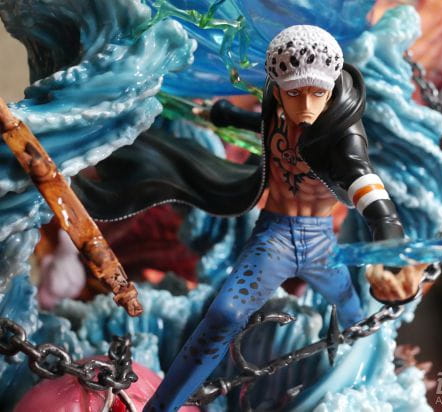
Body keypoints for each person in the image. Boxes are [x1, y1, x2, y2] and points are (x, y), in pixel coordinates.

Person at [143, 25, 426, 411]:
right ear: (277, 90)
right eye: (295, 93)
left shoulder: (342, 132)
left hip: (321, 244)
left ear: (331, 89)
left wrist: (388, 236)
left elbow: (363, 179)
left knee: (354, 314)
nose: (306, 106)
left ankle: (365, 379)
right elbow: (261, 126)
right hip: (273, 238)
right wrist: (221, 113)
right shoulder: (275, 111)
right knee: (223, 315)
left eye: (318, 94)